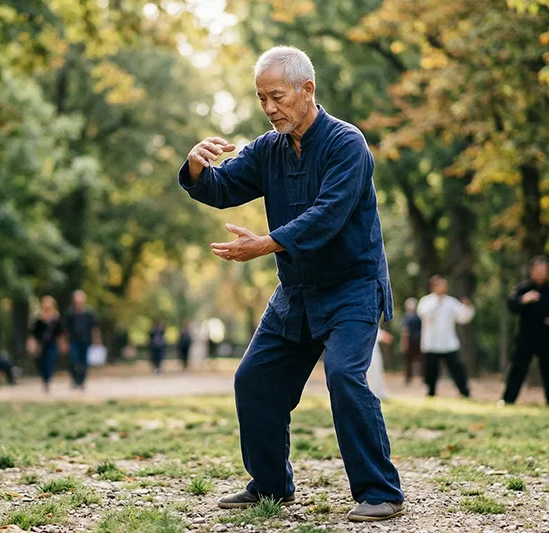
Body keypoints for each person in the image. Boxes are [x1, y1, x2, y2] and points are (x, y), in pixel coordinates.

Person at [178, 46, 404, 522]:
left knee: (344, 376)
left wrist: (266, 243)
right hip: (297, 291)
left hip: (352, 286)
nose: (269, 107)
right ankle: (271, 487)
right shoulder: (268, 149)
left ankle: (380, 491)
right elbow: (222, 189)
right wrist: (198, 167)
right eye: (262, 98)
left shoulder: (347, 144)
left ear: (308, 90)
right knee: (254, 380)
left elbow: (328, 217)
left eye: (276, 96)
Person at [502, 256, 549, 406]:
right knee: (517, 368)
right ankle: (508, 400)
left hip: (546, 336)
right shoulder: (522, 289)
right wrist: (523, 300)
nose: (541, 274)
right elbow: (511, 304)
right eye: (538, 270)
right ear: (531, 271)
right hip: (525, 336)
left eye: (544, 270)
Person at [417, 275, 474, 398]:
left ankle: (464, 392)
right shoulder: (426, 301)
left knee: (457, 368)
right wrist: (438, 301)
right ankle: (431, 392)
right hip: (432, 342)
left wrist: (467, 307)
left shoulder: (451, 302)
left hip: (449, 342)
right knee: (431, 371)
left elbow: (464, 317)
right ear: (433, 287)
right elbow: (424, 314)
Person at [65, 290, 100, 390]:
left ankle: (82, 381)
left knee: (83, 362)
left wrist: (96, 340)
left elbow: (94, 328)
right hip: (73, 340)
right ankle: (75, 379)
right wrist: (65, 342)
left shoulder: (89, 312)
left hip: (86, 340)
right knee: (74, 360)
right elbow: (66, 329)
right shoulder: (70, 313)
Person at [28, 296, 63, 393]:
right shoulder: (38, 319)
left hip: (52, 344)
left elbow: (60, 333)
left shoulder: (56, 318)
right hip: (40, 345)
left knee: (50, 361)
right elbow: (33, 333)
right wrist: (31, 344)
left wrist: (62, 344)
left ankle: (48, 380)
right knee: (41, 363)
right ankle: (44, 379)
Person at [400, 298, 423, 385]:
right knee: (421, 360)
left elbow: (405, 331)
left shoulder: (407, 317)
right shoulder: (419, 317)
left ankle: (408, 379)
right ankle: (422, 378)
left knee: (408, 361)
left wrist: (404, 344)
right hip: (419, 340)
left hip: (410, 341)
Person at [368, 328, 393, 400]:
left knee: (377, 371)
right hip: (369, 352)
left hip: (374, 351)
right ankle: (373, 392)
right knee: (372, 371)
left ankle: (378, 391)